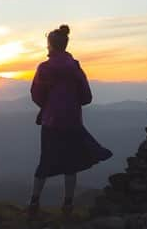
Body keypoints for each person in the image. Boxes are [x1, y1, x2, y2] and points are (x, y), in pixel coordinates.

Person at [28, 24, 112, 218]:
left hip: (51, 122)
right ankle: (68, 205)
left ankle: (34, 202)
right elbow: (86, 96)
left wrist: (47, 106)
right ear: (65, 44)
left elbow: (36, 93)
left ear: (50, 45)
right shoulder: (74, 67)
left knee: (45, 161)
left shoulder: (44, 68)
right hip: (72, 121)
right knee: (71, 164)